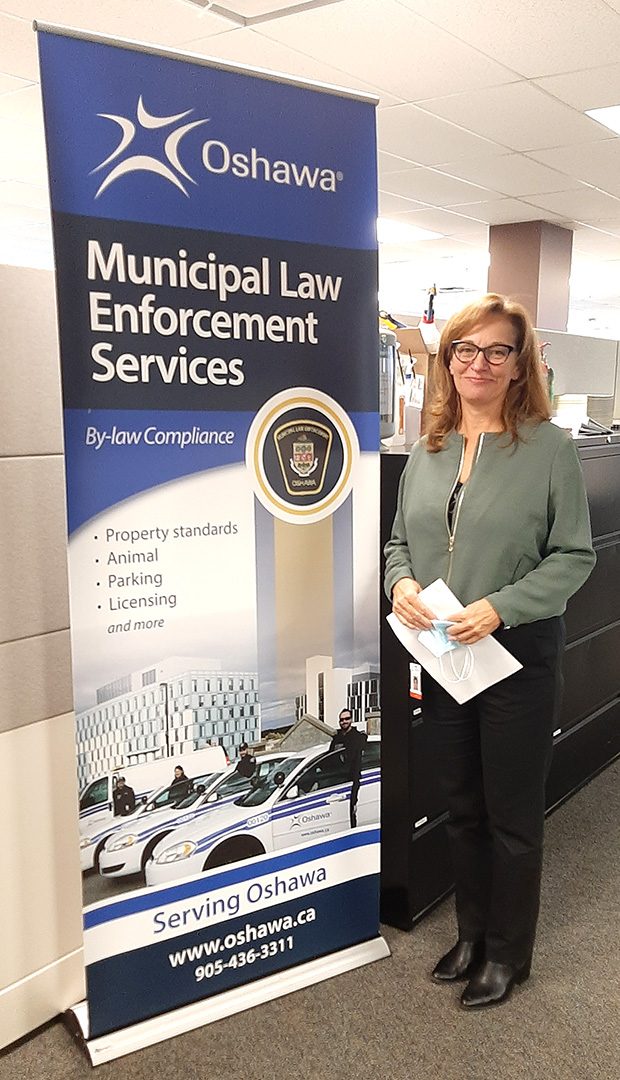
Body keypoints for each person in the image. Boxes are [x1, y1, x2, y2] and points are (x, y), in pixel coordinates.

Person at [384, 293, 595, 1009]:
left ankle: (510, 954)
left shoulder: (548, 449)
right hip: (444, 657)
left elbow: (573, 559)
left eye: (497, 351)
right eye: (465, 351)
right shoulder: (428, 448)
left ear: (519, 365)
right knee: (462, 806)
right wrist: (403, 582)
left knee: (510, 812)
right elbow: (397, 546)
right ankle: (472, 934)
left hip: (516, 658)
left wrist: (502, 607)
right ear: (448, 362)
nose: (479, 363)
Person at [329, 709, 366, 828]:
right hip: (337, 780)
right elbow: (329, 758)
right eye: (341, 720)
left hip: (353, 780)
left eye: (347, 719)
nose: (344, 721)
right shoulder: (336, 739)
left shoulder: (358, 737)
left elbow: (354, 753)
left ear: (351, 719)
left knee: (353, 812)